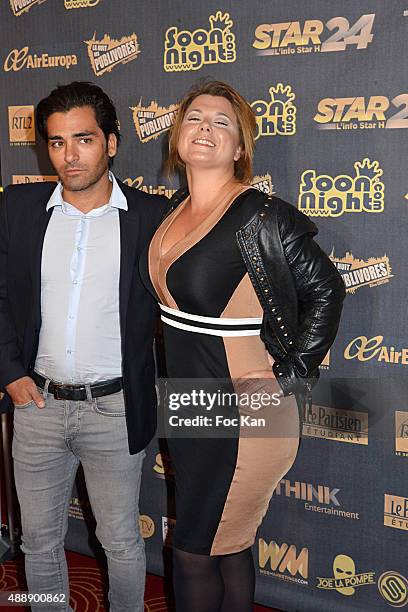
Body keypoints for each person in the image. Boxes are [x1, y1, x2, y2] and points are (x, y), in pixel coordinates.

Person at [144, 80, 346, 612]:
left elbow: (327, 287)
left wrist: (293, 379)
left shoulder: (260, 216)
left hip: (246, 412)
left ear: (240, 149)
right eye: (194, 118)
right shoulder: (172, 211)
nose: (204, 128)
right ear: (176, 136)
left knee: (192, 551)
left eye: (221, 122)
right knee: (227, 545)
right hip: (192, 407)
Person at [0, 82, 167, 612]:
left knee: (120, 543)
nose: (69, 156)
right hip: (37, 407)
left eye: (84, 139)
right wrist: (9, 372)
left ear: (112, 142)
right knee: (38, 543)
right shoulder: (21, 207)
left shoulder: (153, 216)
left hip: (115, 410)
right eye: (56, 143)